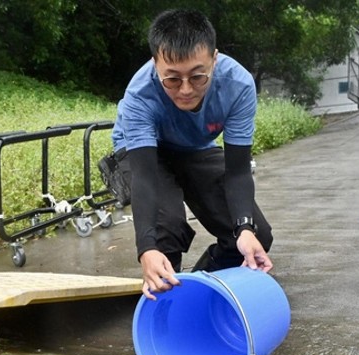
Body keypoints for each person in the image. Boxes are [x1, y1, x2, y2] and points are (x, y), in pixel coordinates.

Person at [110, 8, 273, 300]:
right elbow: (145, 178)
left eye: (198, 77)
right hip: (144, 151)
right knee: (165, 231)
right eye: (171, 79)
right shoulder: (139, 95)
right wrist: (146, 249)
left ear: (215, 59)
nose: (185, 90)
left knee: (256, 235)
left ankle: (199, 290)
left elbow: (237, 171)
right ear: (155, 65)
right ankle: (164, 308)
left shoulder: (237, 86)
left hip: (194, 148)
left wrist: (244, 228)